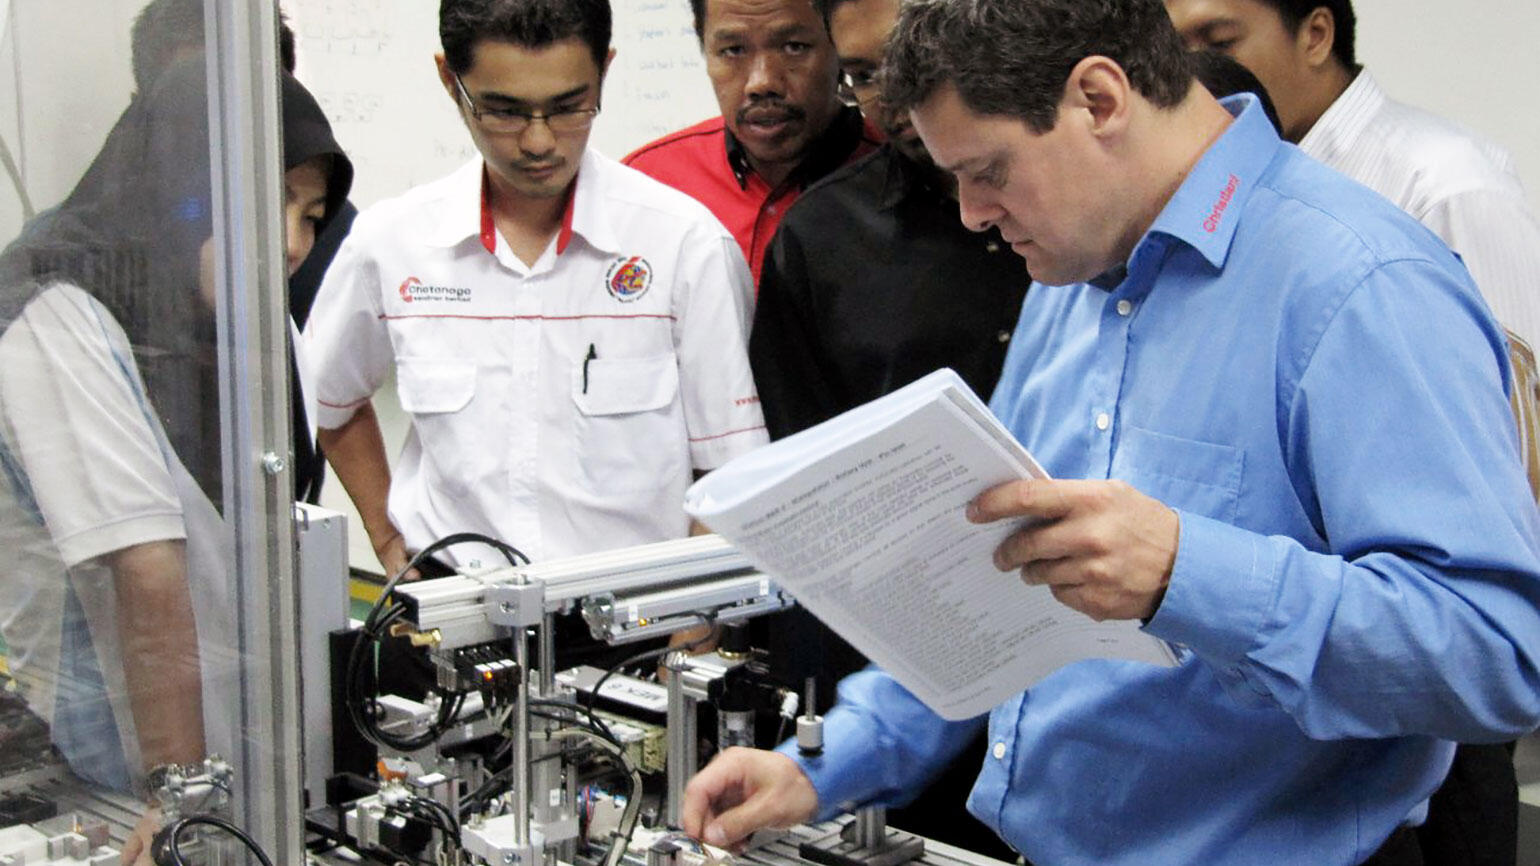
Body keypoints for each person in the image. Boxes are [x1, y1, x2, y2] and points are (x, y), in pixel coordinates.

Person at [678, 2, 1540, 864]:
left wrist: (1187, 571)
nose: (973, 214)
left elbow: (1497, 655)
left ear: (1098, 99)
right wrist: (836, 761)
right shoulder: (1068, 274)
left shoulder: (1363, 286)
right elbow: (998, 598)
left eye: (988, 171)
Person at [0, 54, 352, 864]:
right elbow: (146, 567)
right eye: (272, 205)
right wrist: (180, 800)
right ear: (186, 186)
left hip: (250, 773)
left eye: (313, 213)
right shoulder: (58, 313)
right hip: (120, 788)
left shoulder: (251, 327)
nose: (296, 243)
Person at [304, 0, 766, 582]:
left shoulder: (682, 245)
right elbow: (328, 398)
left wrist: (694, 620)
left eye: (571, 107)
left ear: (605, 70)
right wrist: (386, 531)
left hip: (631, 622)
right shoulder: (392, 243)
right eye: (503, 111)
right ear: (451, 81)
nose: (539, 143)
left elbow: (730, 469)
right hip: (452, 610)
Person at [1164, 0, 1540, 352]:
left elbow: (1517, 408)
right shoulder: (1207, 185)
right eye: (1176, 52)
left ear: (1316, 36)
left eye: (1220, 43)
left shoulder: (1445, 183)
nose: (1194, 76)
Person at [621, 0, 878, 285]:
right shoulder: (645, 187)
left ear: (840, 45)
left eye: (794, 46)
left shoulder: (909, 179)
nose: (761, 82)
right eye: (733, 51)